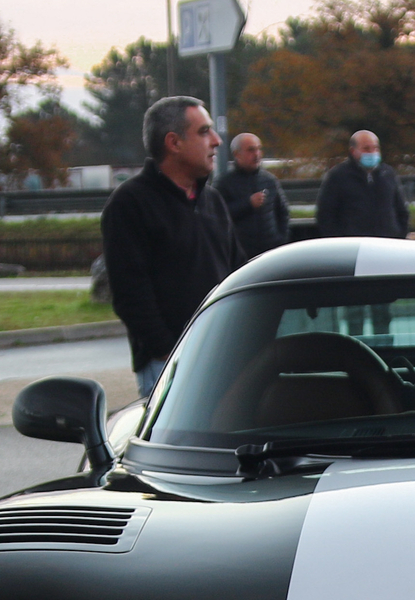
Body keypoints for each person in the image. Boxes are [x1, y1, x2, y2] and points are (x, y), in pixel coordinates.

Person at [101, 96, 233, 401]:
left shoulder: (213, 201)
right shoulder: (130, 204)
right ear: (173, 142)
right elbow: (130, 292)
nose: (217, 141)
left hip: (223, 357)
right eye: (204, 132)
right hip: (168, 366)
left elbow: (235, 272)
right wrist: (166, 350)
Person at [314, 129, 411, 239]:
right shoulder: (337, 176)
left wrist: (399, 235)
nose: (372, 152)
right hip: (353, 246)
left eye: (375, 148)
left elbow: (401, 210)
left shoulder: (388, 174)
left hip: (388, 243)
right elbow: (325, 214)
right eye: (366, 149)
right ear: (353, 151)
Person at [213, 132, 290, 261]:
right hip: (239, 255)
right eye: (251, 150)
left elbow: (283, 212)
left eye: (259, 149)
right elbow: (217, 215)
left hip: (270, 253)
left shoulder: (269, 180)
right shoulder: (224, 183)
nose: (257, 154)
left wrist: (281, 240)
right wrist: (248, 204)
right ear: (237, 154)